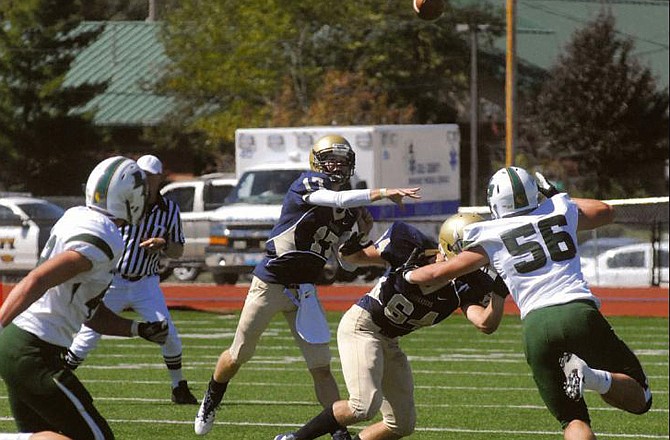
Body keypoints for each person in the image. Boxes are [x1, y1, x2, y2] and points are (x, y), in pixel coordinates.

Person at [194, 135, 421, 438]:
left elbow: (348, 264)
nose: (337, 165)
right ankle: (212, 396)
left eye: (342, 160)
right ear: (317, 161)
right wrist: (382, 193)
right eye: (331, 158)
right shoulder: (308, 184)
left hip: (304, 290)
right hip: (271, 284)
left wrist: (359, 238)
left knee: (321, 367)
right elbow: (337, 199)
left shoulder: (350, 209)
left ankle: (338, 434)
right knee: (239, 354)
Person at [402, 167, 652, 440]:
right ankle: (591, 378)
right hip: (577, 311)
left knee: (573, 420)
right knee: (642, 398)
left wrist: (405, 273)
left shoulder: (491, 234)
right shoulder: (557, 209)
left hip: (535, 327)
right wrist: (556, 195)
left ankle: (590, 378)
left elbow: (437, 274)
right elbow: (605, 211)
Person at [274, 215, 508, 440]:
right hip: (363, 326)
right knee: (362, 405)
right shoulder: (412, 247)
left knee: (402, 423)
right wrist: (354, 244)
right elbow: (357, 258)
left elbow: (484, 323)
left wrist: (499, 292)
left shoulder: (471, 283)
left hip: (389, 339)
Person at [0, 156, 170, 440]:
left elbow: (89, 311)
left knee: (42, 436)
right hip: (33, 350)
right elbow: (37, 280)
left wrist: (137, 329)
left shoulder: (77, 215)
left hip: (20, 346)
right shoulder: (105, 236)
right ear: (130, 198)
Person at [66, 154, 198, 405]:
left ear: (160, 178)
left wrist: (163, 244)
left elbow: (178, 250)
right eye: (142, 177)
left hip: (145, 281)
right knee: (87, 335)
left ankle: (179, 386)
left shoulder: (169, 209)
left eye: (150, 177)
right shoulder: (121, 201)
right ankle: (58, 380)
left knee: (166, 331)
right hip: (113, 279)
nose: (145, 182)